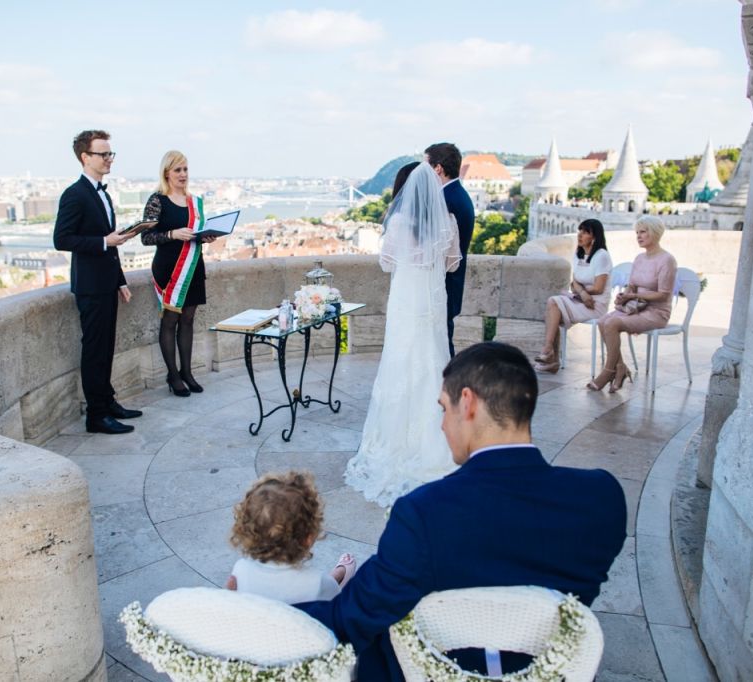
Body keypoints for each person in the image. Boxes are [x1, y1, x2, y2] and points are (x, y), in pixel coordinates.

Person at [300, 342, 627, 680]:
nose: (442, 425)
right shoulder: (602, 498)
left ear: (467, 403)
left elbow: (348, 619)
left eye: (443, 408)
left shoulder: (423, 514)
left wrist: (261, 608)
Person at [343, 162, 461, 507]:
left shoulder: (396, 222)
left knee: (399, 366)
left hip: (405, 307)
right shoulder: (447, 222)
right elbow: (452, 262)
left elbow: (387, 263)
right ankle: (438, 441)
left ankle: (394, 440)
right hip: (432, 308)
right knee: (433, 364)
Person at [53, 129, 142, 435]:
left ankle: (108, 402)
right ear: (84, 157)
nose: (109, 160)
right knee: (94, 351)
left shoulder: (101, 193)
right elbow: (62, 239)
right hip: (90, 287)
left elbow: (110, 245)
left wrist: (120, 280)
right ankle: (96, 415)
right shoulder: (74, 194)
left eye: (110, 154)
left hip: (106, 283)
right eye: (103, 154)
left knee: (106, 349)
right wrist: (105, 240)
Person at [140, 151, 218, 396]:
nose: (183, 174)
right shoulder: (157, 200)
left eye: (185, 169)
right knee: (170, 321)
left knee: (188, 320)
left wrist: (206, 236)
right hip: (169, 269)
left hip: (193, 267)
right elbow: (145, 237)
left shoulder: (195, 202)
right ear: (167, 173)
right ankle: (172, 376)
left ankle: (187, 372)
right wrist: (173, 234)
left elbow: (195, 234)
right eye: (178, 170)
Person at [226, 471, 356, 604]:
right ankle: (337, 577)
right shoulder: (318, 582)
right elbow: (336, 610)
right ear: (308, 539)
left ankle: (337, 576)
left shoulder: (241, 569)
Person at [591, 216, 678, 392]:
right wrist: (624, 297)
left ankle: (608, 371)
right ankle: (621, 367)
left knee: (613, 323)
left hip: (656, 312)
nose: (638, 236)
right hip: (635, 307)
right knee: (602, 321)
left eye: (643, 231)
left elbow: (663, 294)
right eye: (637, 232)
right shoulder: (639, 258)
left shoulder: (667, 260)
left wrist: (635, 295)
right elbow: (632, 287)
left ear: (655, 233)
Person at [535, 218, 613, 373]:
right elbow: (574, 283)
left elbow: (598, 287)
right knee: (553, 305)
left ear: (594, 237)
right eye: (580, 231)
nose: (580, 235)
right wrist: (582, 292)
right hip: (582, 301)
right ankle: (549, 352)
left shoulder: (601, 255)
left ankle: (550, 355)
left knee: (554, 306)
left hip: (595, 305)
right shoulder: (579, 255)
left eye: (585, 232)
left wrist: (582, 291)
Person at [425, 142, 475, 356]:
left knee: (442, 343)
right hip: (450, 281)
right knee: (441, 339)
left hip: (443, 282)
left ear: (438, 168)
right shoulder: (457, 194)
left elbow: (435, 247)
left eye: (425, 165)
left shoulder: (446, 200)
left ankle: (449, 385)